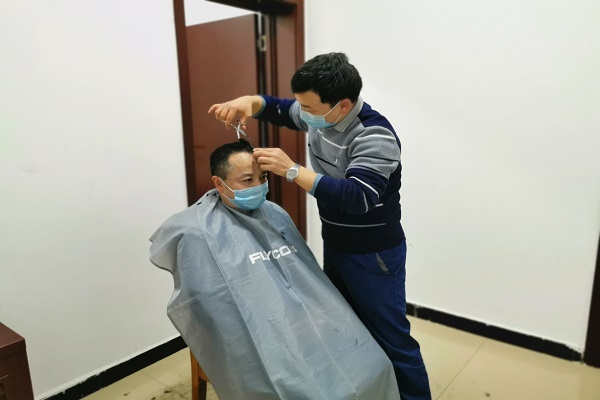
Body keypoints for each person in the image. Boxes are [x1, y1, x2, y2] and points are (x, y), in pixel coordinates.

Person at [208, 52, 431, 400]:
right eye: (302, 105)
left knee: (392, 339)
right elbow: (281, 109)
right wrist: (248, 103)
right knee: (347, 325)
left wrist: (292, 171)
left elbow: (358, 197)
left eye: (309, 108)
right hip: (337, 244)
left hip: (374, 254)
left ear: (342, 105)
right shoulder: (321, 114)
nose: (303, 114)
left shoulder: (375, 136)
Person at [149, 140, 401, 400]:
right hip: (259, 331)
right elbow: (208, 307)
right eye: (247, 180)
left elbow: (306, 275)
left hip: (300, 318)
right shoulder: (196, 231)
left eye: (263, 177)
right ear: (218, 183)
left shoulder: (273, 213)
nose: (259, 186)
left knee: (376, 365)